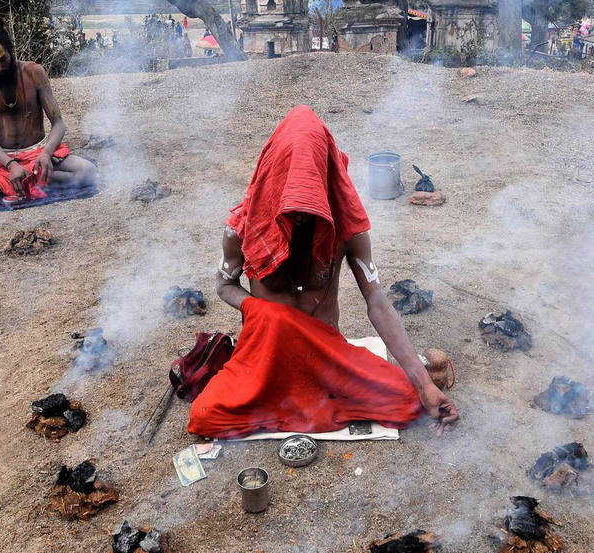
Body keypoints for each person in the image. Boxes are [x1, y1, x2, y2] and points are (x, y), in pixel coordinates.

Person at [188, 106, 459, 440]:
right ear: (276, 180)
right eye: (293, 205)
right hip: (268, 359)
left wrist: (422, 382)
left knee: (412, 401)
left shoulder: (346, 229)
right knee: (204, 415)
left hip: (329, 358)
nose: (301, 217)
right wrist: (261, 311)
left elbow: (376, 300)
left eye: (310, 204)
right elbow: (224, 285)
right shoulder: (244, 228)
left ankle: (428, 375)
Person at [0, 9, 96, 206]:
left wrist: (47, 153)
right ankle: (25, 179)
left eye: (2, 59)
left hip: (38, 152)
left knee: (88, 172)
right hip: (2, 159)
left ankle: (21, 181)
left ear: (10, 50)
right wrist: (10, 164)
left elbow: (58, 123)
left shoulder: (33, 72)